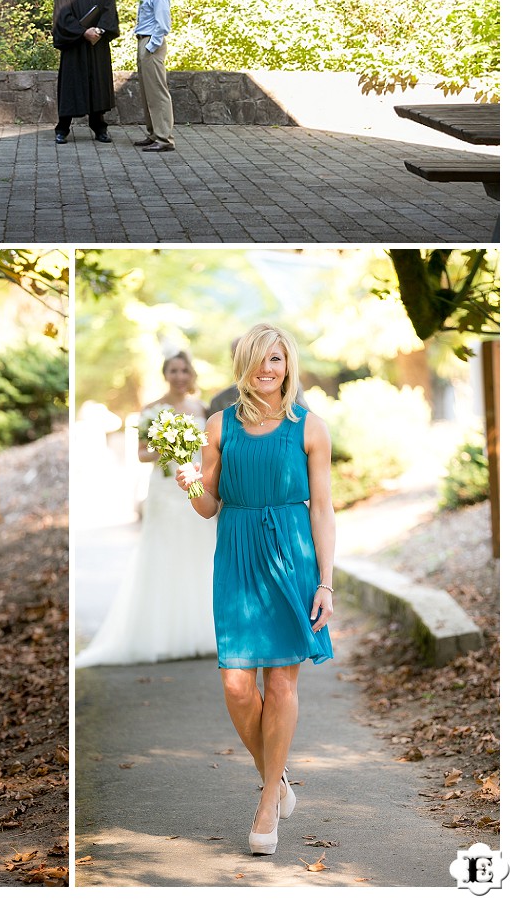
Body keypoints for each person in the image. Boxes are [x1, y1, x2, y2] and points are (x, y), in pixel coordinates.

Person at [176, 323, 334, 857]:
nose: (267, 370)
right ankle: (278, 773)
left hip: (293, 560)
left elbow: (325, 511)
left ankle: (267, 800)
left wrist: (326, 583)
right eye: (257, 360)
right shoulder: (219, 425)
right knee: (238, 685)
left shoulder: (311, 428)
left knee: (283, 686)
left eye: (276, 360)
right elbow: (208, 505)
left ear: (288, 365)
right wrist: (190, 482)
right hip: (237, 557)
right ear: (242, 364)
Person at [76, 352, 217, 667]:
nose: (179, 376)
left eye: (184, 370)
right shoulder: (152, 410)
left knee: (200, 550)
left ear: (190, 374)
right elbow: (141, 454)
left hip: (194, 484)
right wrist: (169, 445)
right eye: (173, 370)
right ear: (165, 374)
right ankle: (162, 633)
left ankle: (206, 630)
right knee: (163, 553)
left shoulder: (202, 409)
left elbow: (211, 450)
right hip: (165, 490)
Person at [52, 0, 120, 144]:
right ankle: (62, 128)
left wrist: (98, 31)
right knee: (71, 86)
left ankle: (99, 128)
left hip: (96, 46)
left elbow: (109, 13)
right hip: (74, 47)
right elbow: (62, 19)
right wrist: (83, 32)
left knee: (97, 84)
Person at [130, 0, 174, 152]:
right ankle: (154, 134)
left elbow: (163, 24)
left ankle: (164, 139)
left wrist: (150, 46)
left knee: (157, 92)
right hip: (144, 41)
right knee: (148, 92)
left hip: (151, 43)